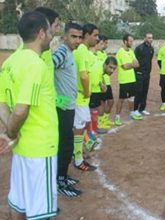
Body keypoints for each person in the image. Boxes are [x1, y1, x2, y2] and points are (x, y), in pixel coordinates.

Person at [0, 11, 59, 219]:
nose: (52, 36)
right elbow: (21, 109)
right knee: (41, 210)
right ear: (41, 33)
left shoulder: (10, 62)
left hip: (22, 148)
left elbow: (2, 103)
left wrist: (10, 134)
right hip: (40, 147)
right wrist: (12, 132)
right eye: (50, 31)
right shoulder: (36, 64)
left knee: (19, 201)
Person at [53, 22, 83, 197]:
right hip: (62, 106)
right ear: (65, 36)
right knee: (64, 145)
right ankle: (59, 181)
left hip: (69, 105)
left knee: (67, 144)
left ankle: (62, 176)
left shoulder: (70, 52)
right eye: (73, 36)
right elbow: (46, 69)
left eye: (79, 37)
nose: (77, 40)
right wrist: (57, 98)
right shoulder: (62, 52)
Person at [72, 23, 100, 171]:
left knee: (80, 126)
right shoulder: (82, 51)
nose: (97, 38)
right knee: (79, 127)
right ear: (87, 35)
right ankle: (77, 159)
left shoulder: (82, 51)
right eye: (95, 35)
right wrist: (87, 91)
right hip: (79, 97)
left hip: (80, 97)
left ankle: (78, 152)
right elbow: (83, 75)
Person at [115, 34, 141, 124]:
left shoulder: (131, 51)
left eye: (132, 41)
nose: (132, 43)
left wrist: (131, 64)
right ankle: (117, 117)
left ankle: (132, 113)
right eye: (130, 41)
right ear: (125, 41)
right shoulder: (120, 52)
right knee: (121, 99)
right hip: (124, 80)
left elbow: (137, 64)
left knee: (132, 98)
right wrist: (132, 64)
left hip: (132, 79)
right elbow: (125, 66)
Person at [90, 37, 111, 131]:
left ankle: (95, 127)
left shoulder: (99, 55)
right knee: (92, 110)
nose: (103, 45)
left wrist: (102, 83)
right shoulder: (90, 55)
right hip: (91, 89)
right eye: (101, 43)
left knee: (95, 109)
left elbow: (100, 72)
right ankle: (92, 128)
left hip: (99, 86)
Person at [96, 35, 114, 126]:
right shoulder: (96, 53)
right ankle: (100, 122)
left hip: (107, 82)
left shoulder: (104, 54)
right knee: (102, 104)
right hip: (101, 83)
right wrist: (101, 83)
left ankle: (105, 120)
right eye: (105, 42)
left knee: (111, 102)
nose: (106, 45)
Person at [134, 32, 154, 116]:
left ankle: (142, 109)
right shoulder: (139, 48)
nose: (150, 39)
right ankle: (135, 109)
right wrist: (137, 71)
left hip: (147, 74)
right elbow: (134, 60)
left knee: (145, 91)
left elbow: (149, 60)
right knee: (139, 91)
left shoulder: (151, 49)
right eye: (148, 38)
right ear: (145, 38)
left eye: (151, 38)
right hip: (139, 73)